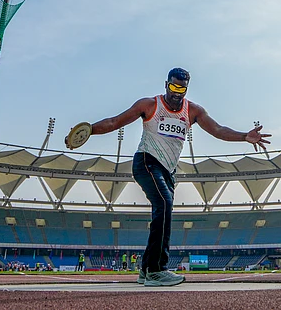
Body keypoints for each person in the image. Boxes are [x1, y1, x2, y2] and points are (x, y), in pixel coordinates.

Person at [66, 68, 270, 287]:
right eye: (173, 86)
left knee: (162, 212)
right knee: (164, 203)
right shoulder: (149, 105)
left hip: (168, 170)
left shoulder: (193, 111)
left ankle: (146, 269)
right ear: (166, 84)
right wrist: (88, 131)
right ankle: (157, 269)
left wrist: (244, 137)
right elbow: (115, 121)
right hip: (146, 161)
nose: (177, 92)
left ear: (186, 89)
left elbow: (218, 129)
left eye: (181, 88)